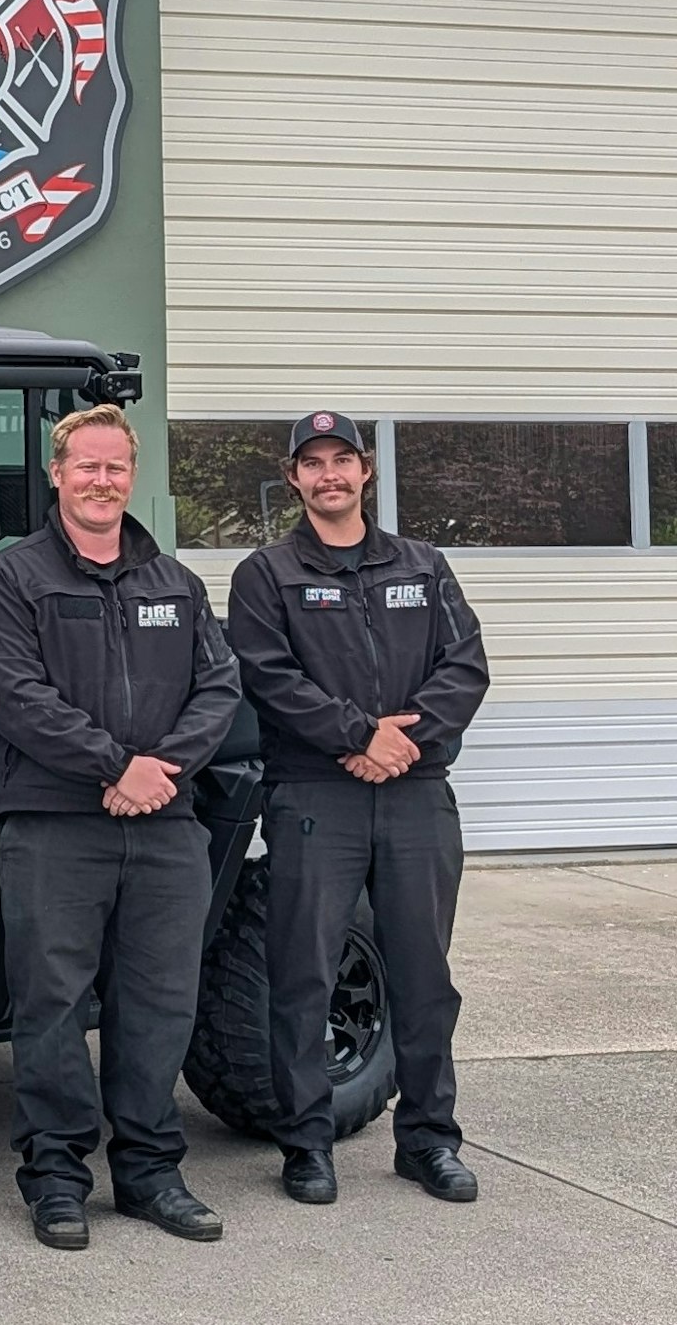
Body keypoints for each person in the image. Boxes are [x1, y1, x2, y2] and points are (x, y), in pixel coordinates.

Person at [0, 404, 240, 1250]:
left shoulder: (175, 584)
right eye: (86, 466)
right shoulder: (12, 580)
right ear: (57, 473)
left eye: (116, 467)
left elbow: (219, 689)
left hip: (164, 823)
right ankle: (55, 1178)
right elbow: (16, 698)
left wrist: (159, 772)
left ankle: (152, 1172)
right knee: (49, 1005)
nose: (102, 480)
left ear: (133, 474)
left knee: (158, 1003)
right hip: (53, 825)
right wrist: (114, 764)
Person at [227, 412, 489, 1207]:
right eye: (314, 463)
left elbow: (464, 665)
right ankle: (306, 1145)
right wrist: (356, 735)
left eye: (343, 460)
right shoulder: (266, 575)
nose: (330, 474)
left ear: (365, 471)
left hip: (415, 794)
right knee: (302, 974)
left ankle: (429, 1139)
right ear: (295, 476)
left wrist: (402, 745)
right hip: (315, 795)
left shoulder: (423, 565)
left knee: (423, 975)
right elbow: (267, 675)